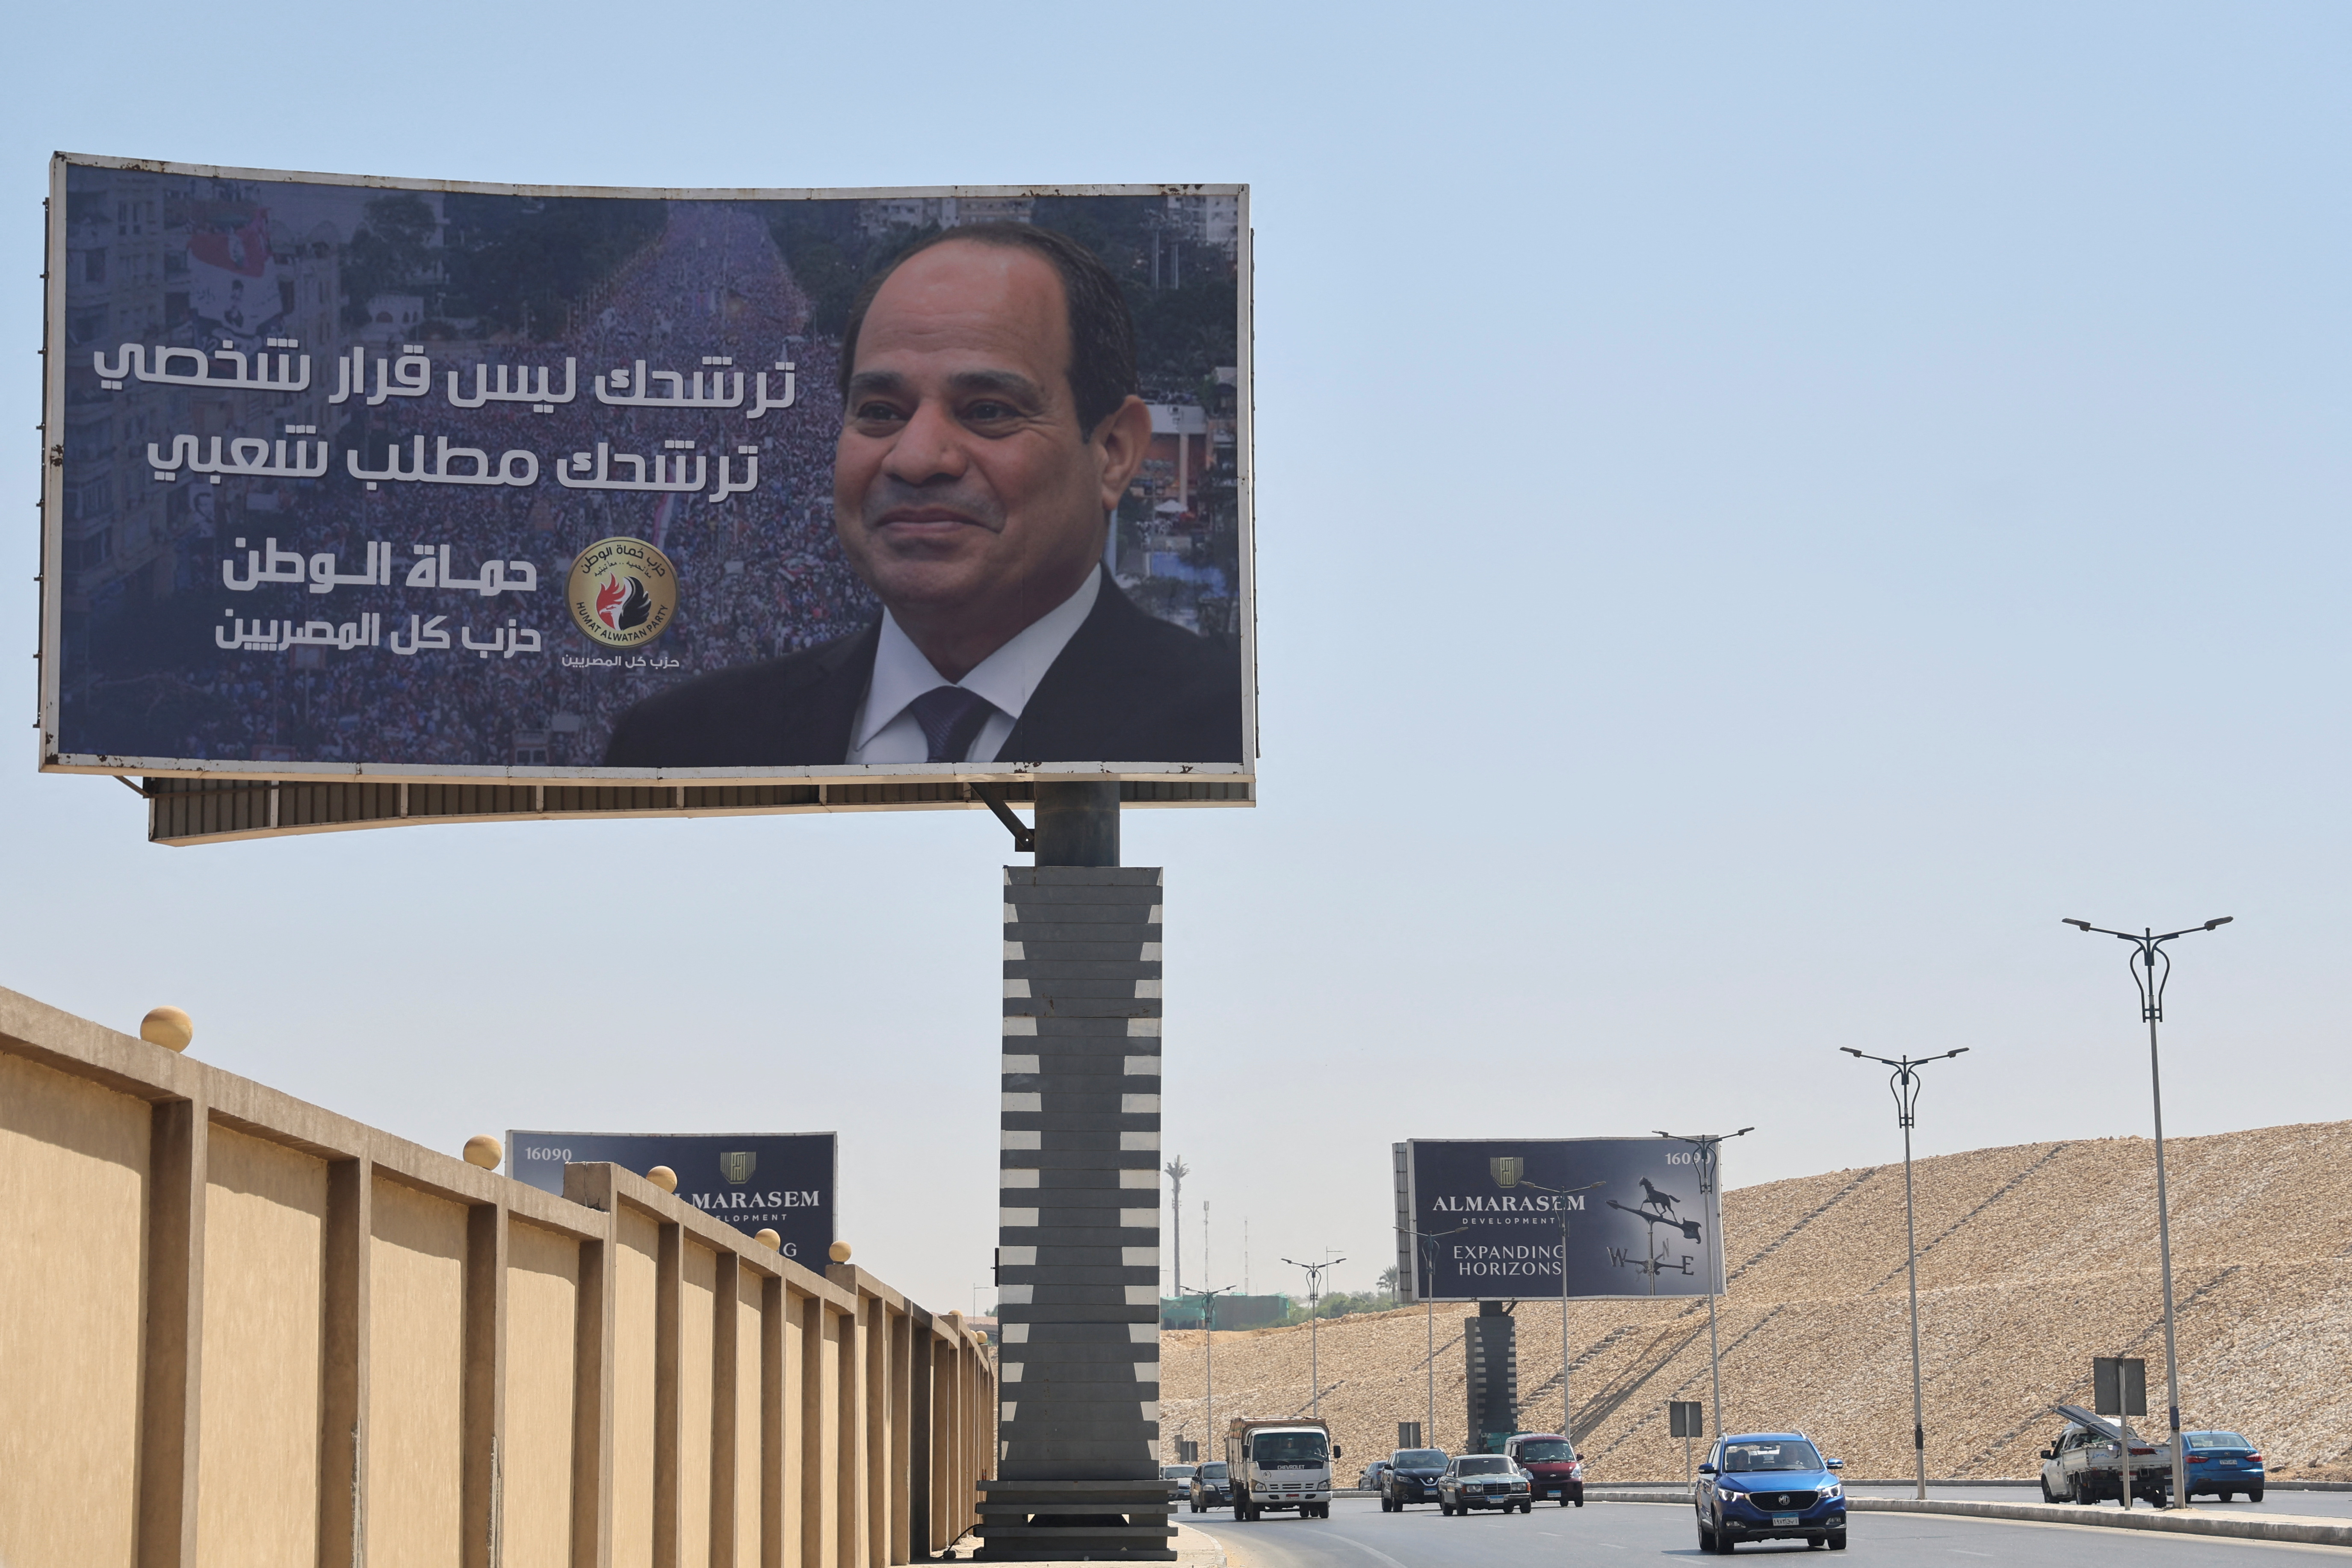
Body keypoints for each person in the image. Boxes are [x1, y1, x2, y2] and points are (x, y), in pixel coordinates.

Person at [604, 223, 1243, 768]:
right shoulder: (680, 747)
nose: (914, 458)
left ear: (1114, 453)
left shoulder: (1243, 742)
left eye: (988, 410)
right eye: (881, 411)